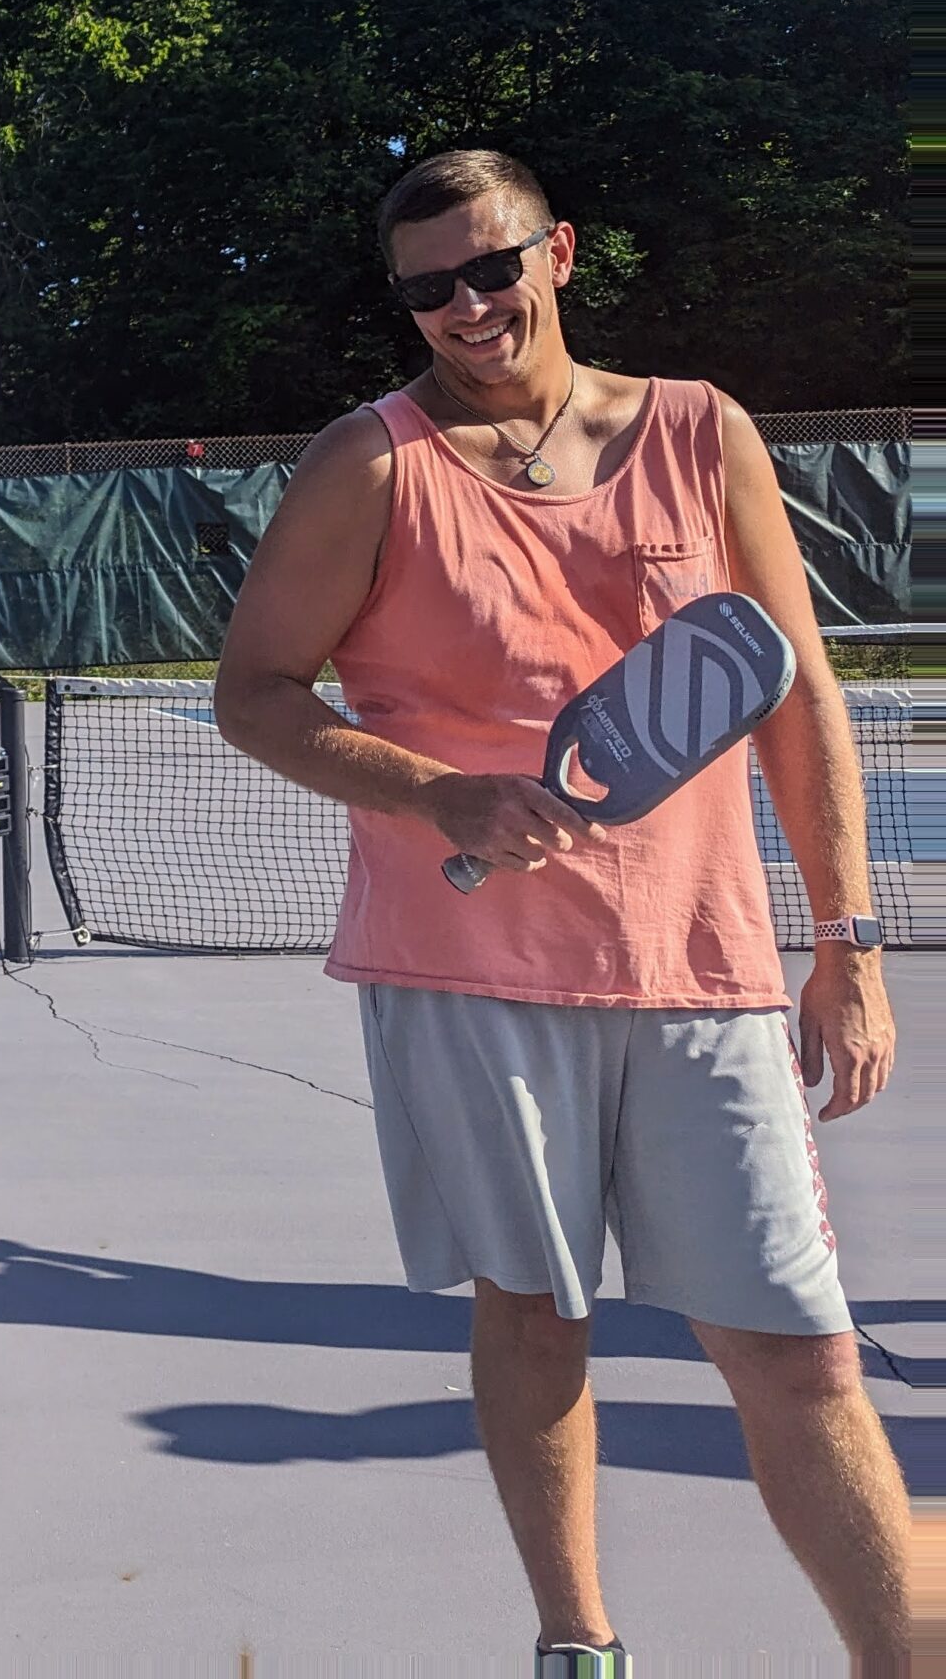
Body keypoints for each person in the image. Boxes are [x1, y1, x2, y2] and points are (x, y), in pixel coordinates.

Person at [216, 150, 909, 1675]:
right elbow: (254, 693)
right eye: (426, 287)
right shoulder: (373, 463)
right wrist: (436, 792)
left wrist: (847, 942)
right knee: (535, 1320)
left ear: (563, 252)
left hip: (702, 970)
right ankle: (578, 1648)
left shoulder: (699, 429)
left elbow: (796, 700)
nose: (466, 305)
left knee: (800, 1347)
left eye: (491, 266)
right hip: (468, 980)